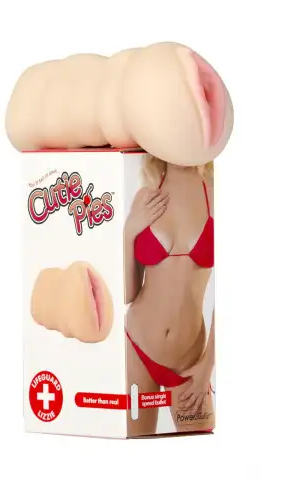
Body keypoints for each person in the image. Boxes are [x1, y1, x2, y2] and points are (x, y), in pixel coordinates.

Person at [124, 154, 216, 436]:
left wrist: (207, 366)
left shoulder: (215, 196)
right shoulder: (147, 197)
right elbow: (128, 293)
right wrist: (129, 232)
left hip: (189, 364)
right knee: (135, 448)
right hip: (138, 348)